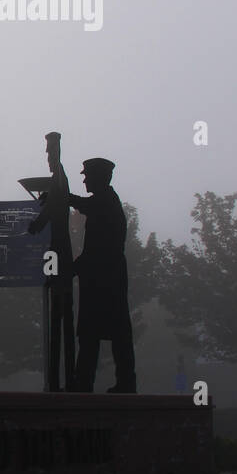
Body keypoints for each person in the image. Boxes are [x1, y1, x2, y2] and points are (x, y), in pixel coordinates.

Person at [69, 158, 134, 392]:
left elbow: (97, 250)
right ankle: (118, 382)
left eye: (87, 175)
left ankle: (86, 384)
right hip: (104, 279)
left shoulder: (105, 203)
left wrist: (71, 269)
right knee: (106, 333)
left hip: (103, 280)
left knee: (95, 333)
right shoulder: (106, 202)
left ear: (99, 178)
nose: (84, 180)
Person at [27, 131, 76, 391]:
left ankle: (60, 382)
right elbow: (55, 203)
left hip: (60, 254)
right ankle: (60, 379)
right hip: (59, 255)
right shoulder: (58, 181)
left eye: (50, 151)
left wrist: (36, 224)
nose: (48, 157)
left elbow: (52, 208)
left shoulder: (59, 176)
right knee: (60, 318)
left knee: (61, 318)